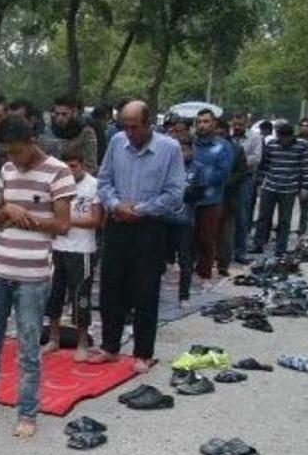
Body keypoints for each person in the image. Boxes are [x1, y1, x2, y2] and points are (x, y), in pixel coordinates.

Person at [0, 114, 74, 437]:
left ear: (32, 142)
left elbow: (63, 225)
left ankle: (27, 414)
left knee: (27, 346)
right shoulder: (6, 170)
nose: (13, 159)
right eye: (7, 152)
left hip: (34, 274)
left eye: (18, 151)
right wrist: (7, 211)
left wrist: (27, 217)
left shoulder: (59, 172)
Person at [86, 100, 185, 374]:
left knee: (145, 291)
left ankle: (143, 352)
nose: (129, 133)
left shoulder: (169, 149)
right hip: (117, 223)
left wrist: (139, 210)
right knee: (111, 287)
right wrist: (117, 205)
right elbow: (104, 181)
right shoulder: (117, 142)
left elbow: (175, 193)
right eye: (125, 127)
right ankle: (110, 346)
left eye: (134, 127)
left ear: (148, 124)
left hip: (149, 228)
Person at [43, 143, 103, 359]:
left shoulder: (93, 186)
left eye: (74, 167)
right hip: (58, 247)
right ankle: (53, 338)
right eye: (66, 167)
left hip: (82, 249)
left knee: (81, 296)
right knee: (54, 295)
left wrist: (68, 221)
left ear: (83, 165)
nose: (70, 172)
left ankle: (82, 342)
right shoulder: (57, 184)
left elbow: (96, 220)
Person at [251, 122, 308, 257]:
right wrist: (260, 183)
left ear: (291, 136)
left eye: (285, 139)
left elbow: (305, 168)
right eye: (280, 138)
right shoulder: (272, 144)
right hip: (270, 186)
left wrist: (305, 187)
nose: (282, 141)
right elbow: (264, 165)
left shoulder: (301, 146)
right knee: (263, 218)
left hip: (289, 189)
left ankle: (281, 248)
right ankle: (258, 244)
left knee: (284, 220)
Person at [191, 108, 233, 291]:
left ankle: (205, 274)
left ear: (214, 124)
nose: (202, 125)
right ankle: (189, 271)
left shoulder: (223, 146)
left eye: (206, 121)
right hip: (189, 199)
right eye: (199, 122)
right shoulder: (190, 145)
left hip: (211, 200)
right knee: (188, 238)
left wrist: (199, 181)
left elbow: (222, 173)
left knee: (206, 239)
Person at [165, 132, 197, 308]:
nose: (182, 153)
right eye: (179, 150)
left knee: (185, 260)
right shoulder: (167, 168)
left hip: (185, 220)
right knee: (160, 259)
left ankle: (184, 295)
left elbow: (197, 191)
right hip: (166, 219)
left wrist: (177, 192)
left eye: (185, 149)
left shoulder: (197, 168)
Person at [214, 115, 247, 275]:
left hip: (228, 198)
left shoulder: (236, 150)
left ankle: (223, 265)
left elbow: (242, 173)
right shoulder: (207, 147)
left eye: (222, 133)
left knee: (226, 235)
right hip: (208, 197)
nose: (219, 136)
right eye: (216, 133)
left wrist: (224, 181)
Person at [230, 110, 261, 262]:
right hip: (228, 179)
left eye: (241, 124)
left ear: (247, 123)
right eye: (235, 124)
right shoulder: (227, 136)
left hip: (245, 180)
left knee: (242, 217)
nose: (237, 126)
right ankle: (225, 251)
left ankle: (241, 251)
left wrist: (239, 161)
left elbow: (256, 158)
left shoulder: (254, 137)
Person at [39, 92, 98, 173]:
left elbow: (90, 164)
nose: (60, 118)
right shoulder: (47, 130)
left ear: (74, 113)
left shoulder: (86, 132)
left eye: (64, 114)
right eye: (57, 114)